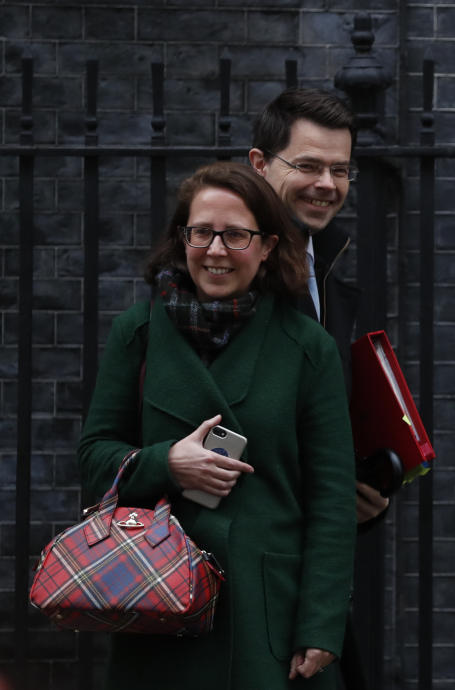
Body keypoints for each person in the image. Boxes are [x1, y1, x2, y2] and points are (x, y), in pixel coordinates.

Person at [77, 162, 356, 689]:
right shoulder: (137, 332)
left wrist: (321, 623)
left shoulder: (306, 346)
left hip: (267, 613)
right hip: (157, 603)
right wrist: (166, 463)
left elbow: (332, 497)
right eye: (201, 231)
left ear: (269, 245)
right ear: (182, 238)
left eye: (236, 235)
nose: (216, 249)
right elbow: (94, 456)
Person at [248, 88, 390, 526]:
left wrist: (356, 493)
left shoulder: (326, 271)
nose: (326, 184)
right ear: (259, 164)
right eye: (307, 166)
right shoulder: (226, 270)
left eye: (340, 170)